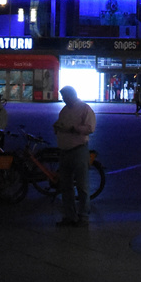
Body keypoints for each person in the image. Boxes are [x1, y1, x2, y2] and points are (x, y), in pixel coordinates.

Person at [52, 85, 97, 226]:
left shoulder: (84, 108)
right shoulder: (64, 110)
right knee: (66, 186)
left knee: (82, 185)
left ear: (71, 95)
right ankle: (70, 215)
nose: (63, 99)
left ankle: (83, 216)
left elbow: (90, 128)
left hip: (78, 149)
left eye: (65, 96)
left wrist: (73, 129)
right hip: (64, 150)